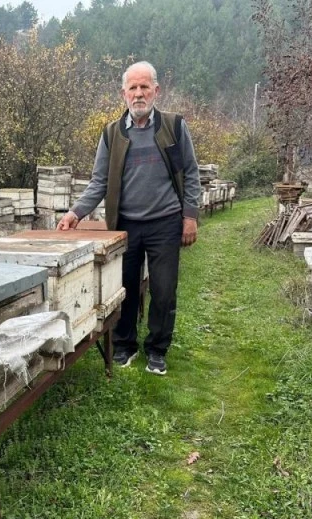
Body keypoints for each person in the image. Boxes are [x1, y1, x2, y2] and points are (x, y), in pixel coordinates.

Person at [57, 60, 201, 375]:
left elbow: (190, 173)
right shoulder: (112, 134)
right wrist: (75, 213)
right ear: (123, 93)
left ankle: (157, 350)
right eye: (132, 88)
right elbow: (99, 182)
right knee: (124, 288)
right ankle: (125, 345)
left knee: (164, 290)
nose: (138, 94)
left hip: (165, 222)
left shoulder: (173, 127)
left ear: (156, 90)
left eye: (144, 87)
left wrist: (190, 216)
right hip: (125, 225)